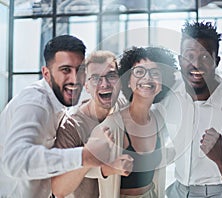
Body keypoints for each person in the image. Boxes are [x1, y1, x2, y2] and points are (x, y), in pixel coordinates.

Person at [0, 35, 113, 197]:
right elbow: (15, 160)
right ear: (46, 73)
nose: (74, 79)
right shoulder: (35, 103)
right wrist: (84, 155)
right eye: (65, 70)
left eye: (79, 70)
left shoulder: (61, 100)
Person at [164, 21, 222, 197]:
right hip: (177, 191)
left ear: (216, 61)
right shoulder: (170, 95)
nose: (196, 64)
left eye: (205, 57)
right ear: (181, 61)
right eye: (189, 56)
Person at [89, 46, 177, 198]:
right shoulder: (112, 126)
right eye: (139, 72)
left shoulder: (159, 120)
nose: (147, 78)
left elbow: (164, 156)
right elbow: (85, 168)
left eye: (155, 73)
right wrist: (109, 168)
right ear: (128, 80)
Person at [51, 50, 133, 198]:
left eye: (111, 76)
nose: (105, 84)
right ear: (86, 86)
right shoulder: (71, 126)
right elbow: (58, 189)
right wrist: (89, 153)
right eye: (95, 78)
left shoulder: (123, 107)